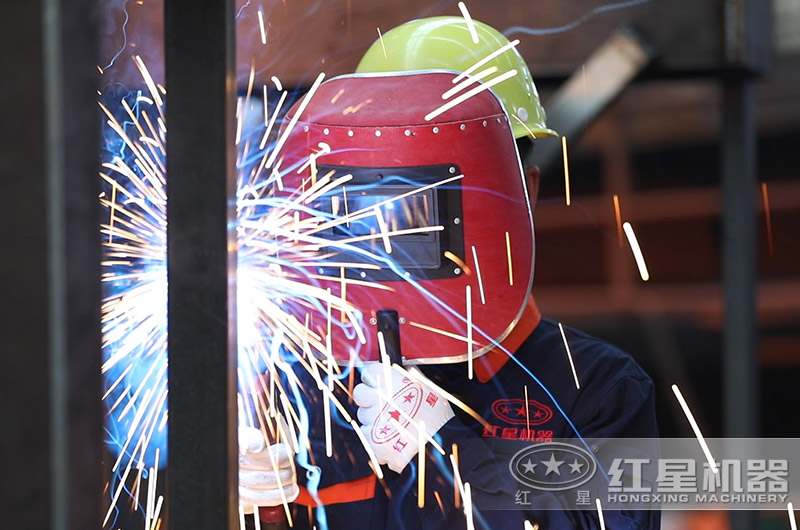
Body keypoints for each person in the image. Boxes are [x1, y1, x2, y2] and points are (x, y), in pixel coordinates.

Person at [240, 17, 660, 530]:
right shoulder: (303, 392)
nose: (402, 222)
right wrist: (242, 503)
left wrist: (451, 458)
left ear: (521, 191)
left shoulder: (597, 389)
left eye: (432, 195)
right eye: (383, 194)